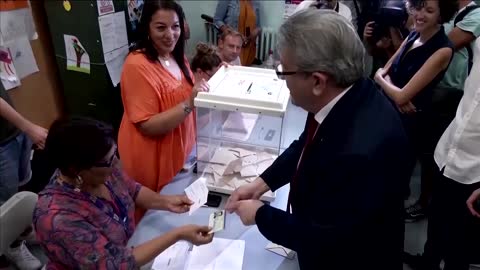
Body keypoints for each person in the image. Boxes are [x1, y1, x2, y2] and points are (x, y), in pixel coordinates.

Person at [226, 10, 410, 270]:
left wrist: (259, 214)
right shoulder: (349, 94)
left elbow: (322, 236)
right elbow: (307, 143)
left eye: (283, 72)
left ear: (317, 81)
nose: (283, 81)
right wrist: (262, 183)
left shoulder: (357, 154)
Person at [33, 117, 213, 269]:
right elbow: (115, 263)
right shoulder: (58, 218)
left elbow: (132, 189)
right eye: (108, 161)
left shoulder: (103, 169)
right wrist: (177, 234)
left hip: (130, 246)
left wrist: (166, 202)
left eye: (114, 155)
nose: (116, 164)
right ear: (76, 170)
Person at [118, 0, 209, 221]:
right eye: (161, 27)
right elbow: (148, 125)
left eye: (175, 26)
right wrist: (189, 103)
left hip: (180, 155)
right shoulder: (136, 65)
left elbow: (183, 92)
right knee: (151, 220)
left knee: (175, 214)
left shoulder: (176, 56)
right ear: (147, 28)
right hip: (151, 157)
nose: (170, 34)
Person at [374, 0, 458, 222]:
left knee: (392, 189)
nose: (420, 15)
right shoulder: (413, 35)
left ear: (442, 14)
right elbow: (385, 72)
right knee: (377, 183)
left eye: (429, 11)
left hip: (409, 127)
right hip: (389, 116)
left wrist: (386, 83)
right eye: (418, 8)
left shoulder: (443, 49)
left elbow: (391, 84)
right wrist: (391, 86)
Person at [404, 29, 480, 270]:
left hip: (475, 171)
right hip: (449, 151)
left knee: (459, 244)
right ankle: (427, 262)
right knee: (436, 222)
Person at [0, 82, 46, 270]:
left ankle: (24, 231)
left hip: (12, 132)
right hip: (2, 143)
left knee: (21, 188)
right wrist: (28, 127)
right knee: (6, 203)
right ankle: (11, 246)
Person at [213, 0, 262, 66]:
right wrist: (231, 33)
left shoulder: (256, 2)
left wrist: (256, 32)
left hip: (249, 45)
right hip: (232, 44)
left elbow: (258, 26)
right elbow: (217, 20)